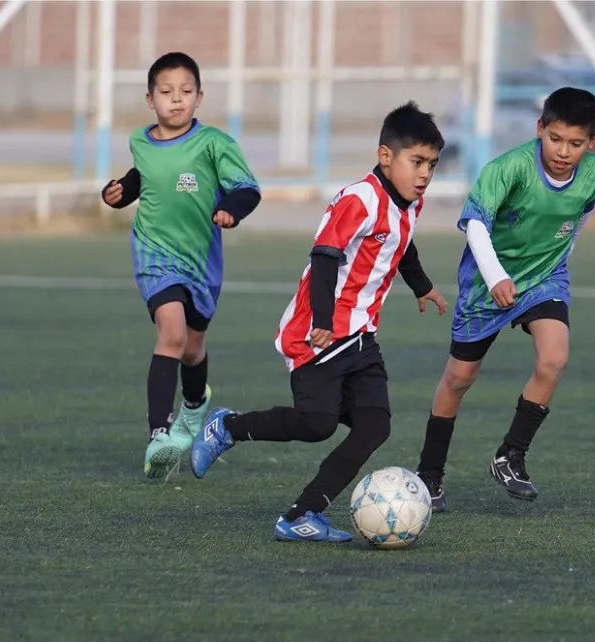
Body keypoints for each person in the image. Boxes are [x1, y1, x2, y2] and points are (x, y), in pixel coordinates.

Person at [189, 101, 448, 542]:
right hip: (318, 331)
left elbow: (402, 246)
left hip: (362, 335)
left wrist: (421, 285)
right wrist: (325, 321)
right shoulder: (359, 198)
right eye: (417, 162)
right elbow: (325, 256)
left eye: (433, 165)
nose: (425, 174)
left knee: (374, 426)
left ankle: (300, 515)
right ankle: (227, 427)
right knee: (317, 425)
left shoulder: (409, 204)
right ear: (386, 156)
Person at [414, 87, 595, 512]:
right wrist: (497, 276)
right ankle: (430, 473)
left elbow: (581, 214)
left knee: (553, 359)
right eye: (555, 139)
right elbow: (476, 226)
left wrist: (563, 254)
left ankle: (510, 455)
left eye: (576, 144)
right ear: (540, 129)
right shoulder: (508, 168)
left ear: (591, 143)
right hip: (488, 282)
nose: (563, 151)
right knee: (459, 379)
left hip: (544, 277)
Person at [101, 52, 261, 480]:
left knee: (192, 348)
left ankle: (194, 407)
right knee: (171, 333)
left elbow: (247, 188)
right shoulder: (141, 140)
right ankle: (159, 434)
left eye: (186, 92)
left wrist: (231, 209)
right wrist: (118, 190)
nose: (177, 100)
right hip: (154, 253)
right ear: (150, 99)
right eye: (166, 92)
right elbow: (143, 176)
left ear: (200, 97)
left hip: (201, 261)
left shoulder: (214, 144)